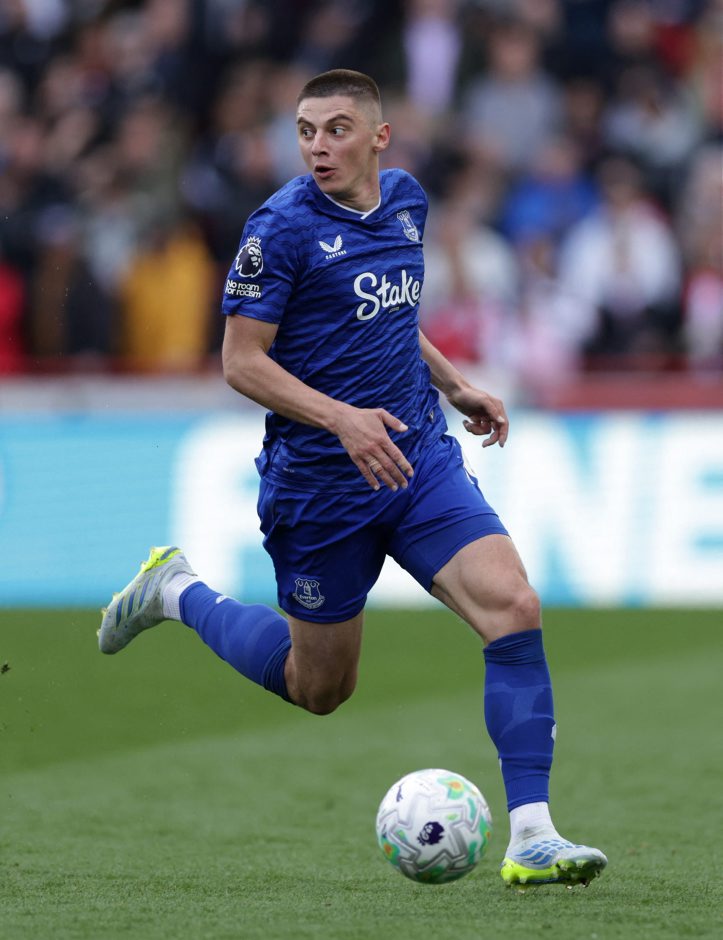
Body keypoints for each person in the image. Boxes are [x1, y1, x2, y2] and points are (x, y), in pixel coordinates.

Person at [99, 69, 607, 889]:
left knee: (512, 605)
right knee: (319, 688)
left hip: (414, 457)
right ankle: (177, 591)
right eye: (305, 131)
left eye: (335, 129)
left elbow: (392, 317)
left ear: (378, 137)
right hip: (319, 486)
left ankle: (533, 836)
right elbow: (240, 362)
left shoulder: (406, 202)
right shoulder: (279, 229)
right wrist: (339, 418)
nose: (317, 147)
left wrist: (453, 383)